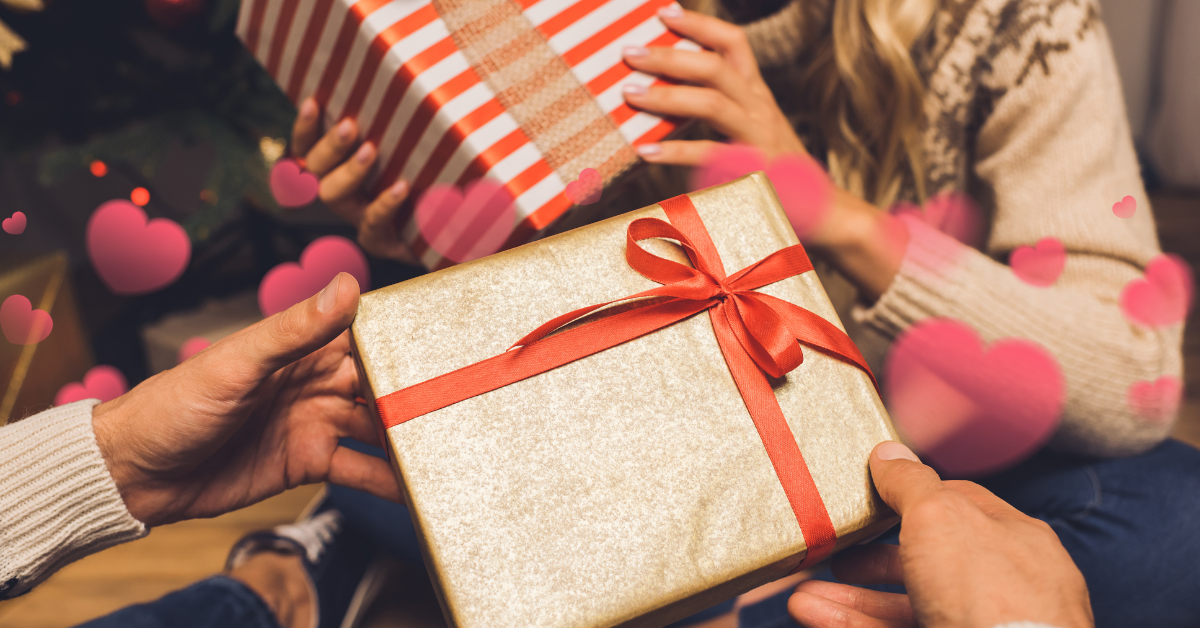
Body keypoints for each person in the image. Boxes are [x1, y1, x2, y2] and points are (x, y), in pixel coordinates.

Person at [296, 0, 1199, 626]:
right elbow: (572, 371)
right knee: (371, 454)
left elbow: (1134, 381)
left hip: (930, 461)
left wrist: (827, 211)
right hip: (688, 460)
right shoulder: (547, 30)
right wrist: (454, 228)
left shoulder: (1011, 23)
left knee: (1174, 533)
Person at [0, 297, 1097, 628]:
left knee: (1170, 524)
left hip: (880, 434)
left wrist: (115, 463)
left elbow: (1121, 376)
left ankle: (295, 577)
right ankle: (299, 574)